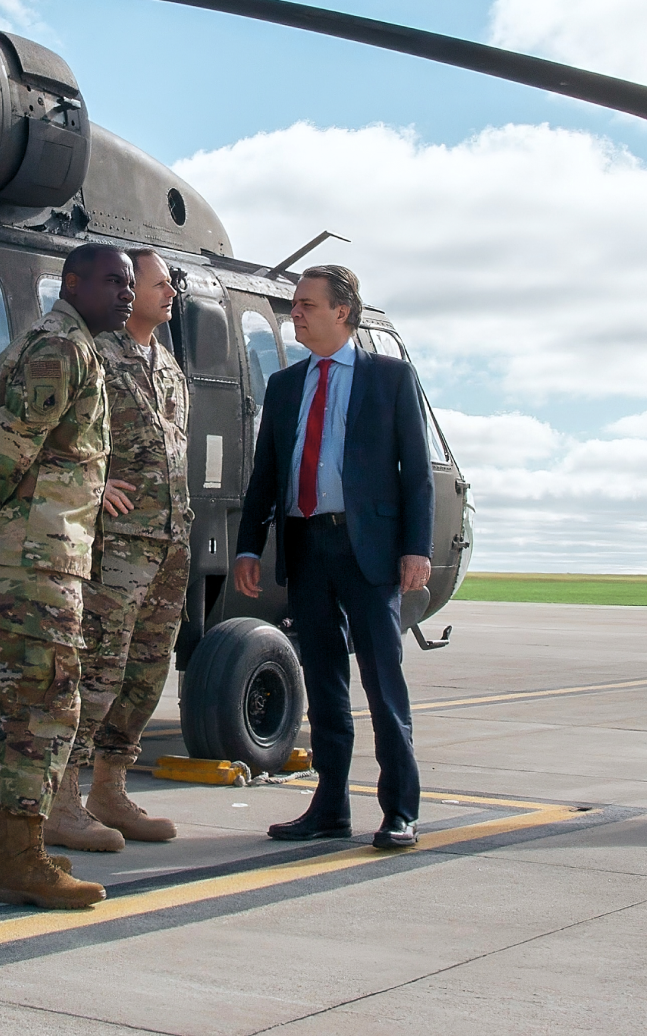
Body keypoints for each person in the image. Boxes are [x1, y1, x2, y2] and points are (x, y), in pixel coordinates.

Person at [0, 243, 134, 909]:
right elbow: (8, 441)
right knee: (44, 702)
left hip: (24, 550)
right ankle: (25, 858)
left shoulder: (57, 342)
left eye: (131, 284)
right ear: (72, 283)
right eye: (113, 281)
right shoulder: (64, 347)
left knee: (11, 702)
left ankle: (1, 850)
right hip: (35, 554)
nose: (126, 294)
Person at [233, 264, 433, 848]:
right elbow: (265, 474)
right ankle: (330, 807)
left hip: (367, 548)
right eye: (295, 304)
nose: (295, 312)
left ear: (342, 312)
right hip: (306, 544)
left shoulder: (391, 378)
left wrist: (416, 547)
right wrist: (250, 543)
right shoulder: (285, 386)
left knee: (382, 680)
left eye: (306, 305)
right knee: (323, 683)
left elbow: (416, 475)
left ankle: (400, 809)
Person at [44, 248, 190, 852]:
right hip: (116, 547)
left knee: (144, 675)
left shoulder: (169, 366)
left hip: (169, 542)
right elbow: (47, 432)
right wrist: (92, 483)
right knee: (98, 672)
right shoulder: (94, 356)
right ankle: (62, 801)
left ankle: (110, 789)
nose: (167, 294)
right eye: (159, 284)